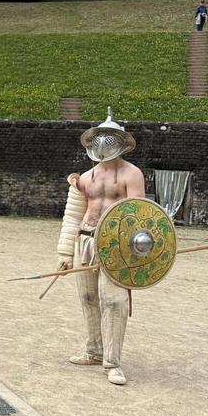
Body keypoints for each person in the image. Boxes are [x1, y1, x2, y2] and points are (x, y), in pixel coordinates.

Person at [55, 107, 145, 386]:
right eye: (101, 137)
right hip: (85, 240)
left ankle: (112, 361)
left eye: (110, 137)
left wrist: (134, 253)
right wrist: (65, 252)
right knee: (88, 298)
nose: (105, 142)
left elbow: (139, 215)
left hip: (115, 244)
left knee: (114, 301)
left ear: (121, 142)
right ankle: (93, 350)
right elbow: (72, 215)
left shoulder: (132, 175)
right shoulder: (84, 177)